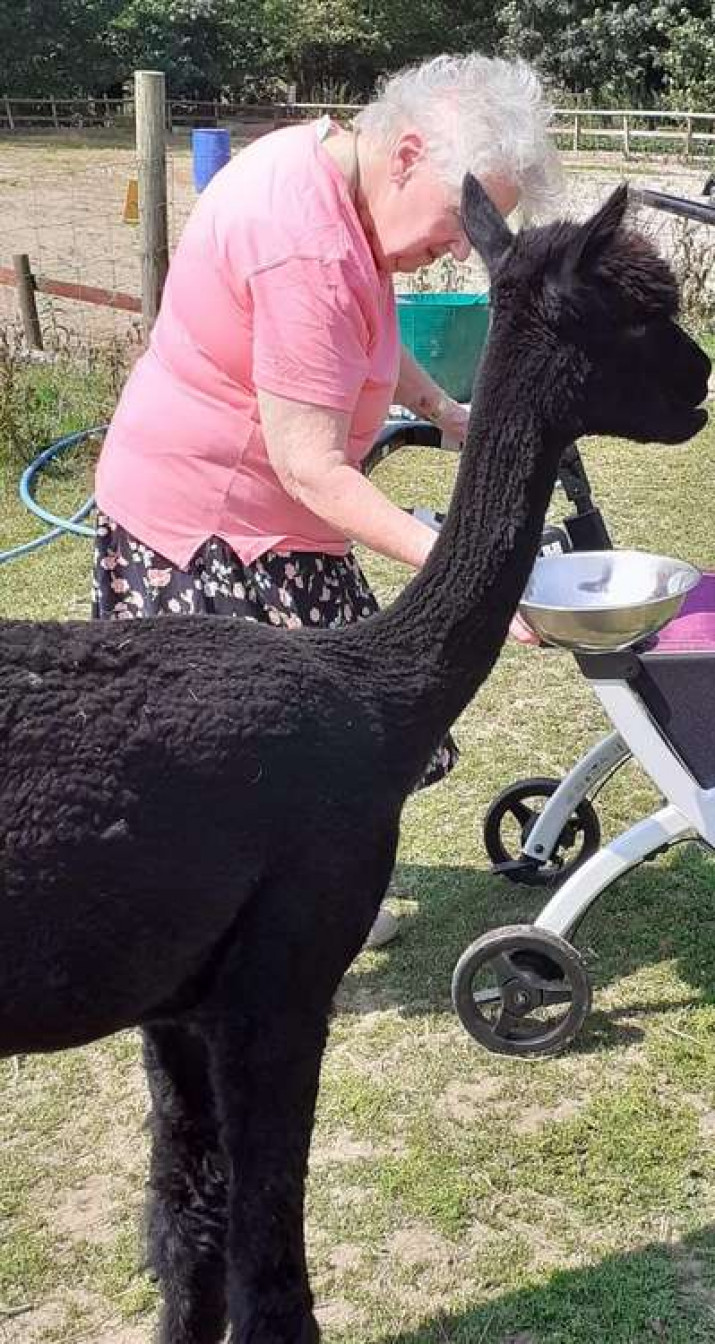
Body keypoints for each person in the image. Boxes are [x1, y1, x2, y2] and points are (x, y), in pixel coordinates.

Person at [91, 54, 562, 947]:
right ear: (409, 153)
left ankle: (297, 897)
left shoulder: (336, 178)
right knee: (259, 753)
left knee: (330, 734)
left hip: (276, 523)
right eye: (463, 219)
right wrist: (472, 572)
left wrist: (439, 408)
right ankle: (247, 935)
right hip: (212, 529)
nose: (463, 245)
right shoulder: (302, 237)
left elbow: (368, 320)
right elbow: (308, 466)